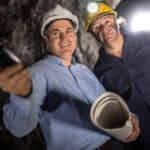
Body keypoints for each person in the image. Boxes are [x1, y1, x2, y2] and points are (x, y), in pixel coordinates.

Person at [0, 4, 139, 150]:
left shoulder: (84, 71)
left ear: (74, 35)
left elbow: (106, 102)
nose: (64, 37)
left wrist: (128, 116)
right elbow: (19, 128)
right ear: (47, 42)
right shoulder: (36, 73)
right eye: (55, 33)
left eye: (68, 31)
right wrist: (22, 97)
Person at [85, 1, 150, 150]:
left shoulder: (146, 39)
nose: (104, 28)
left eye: (107, 21)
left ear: (115, 20)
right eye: (97, 26)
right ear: (92, 33)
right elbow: (113, 111)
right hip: (144, 137)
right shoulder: (100, 73)